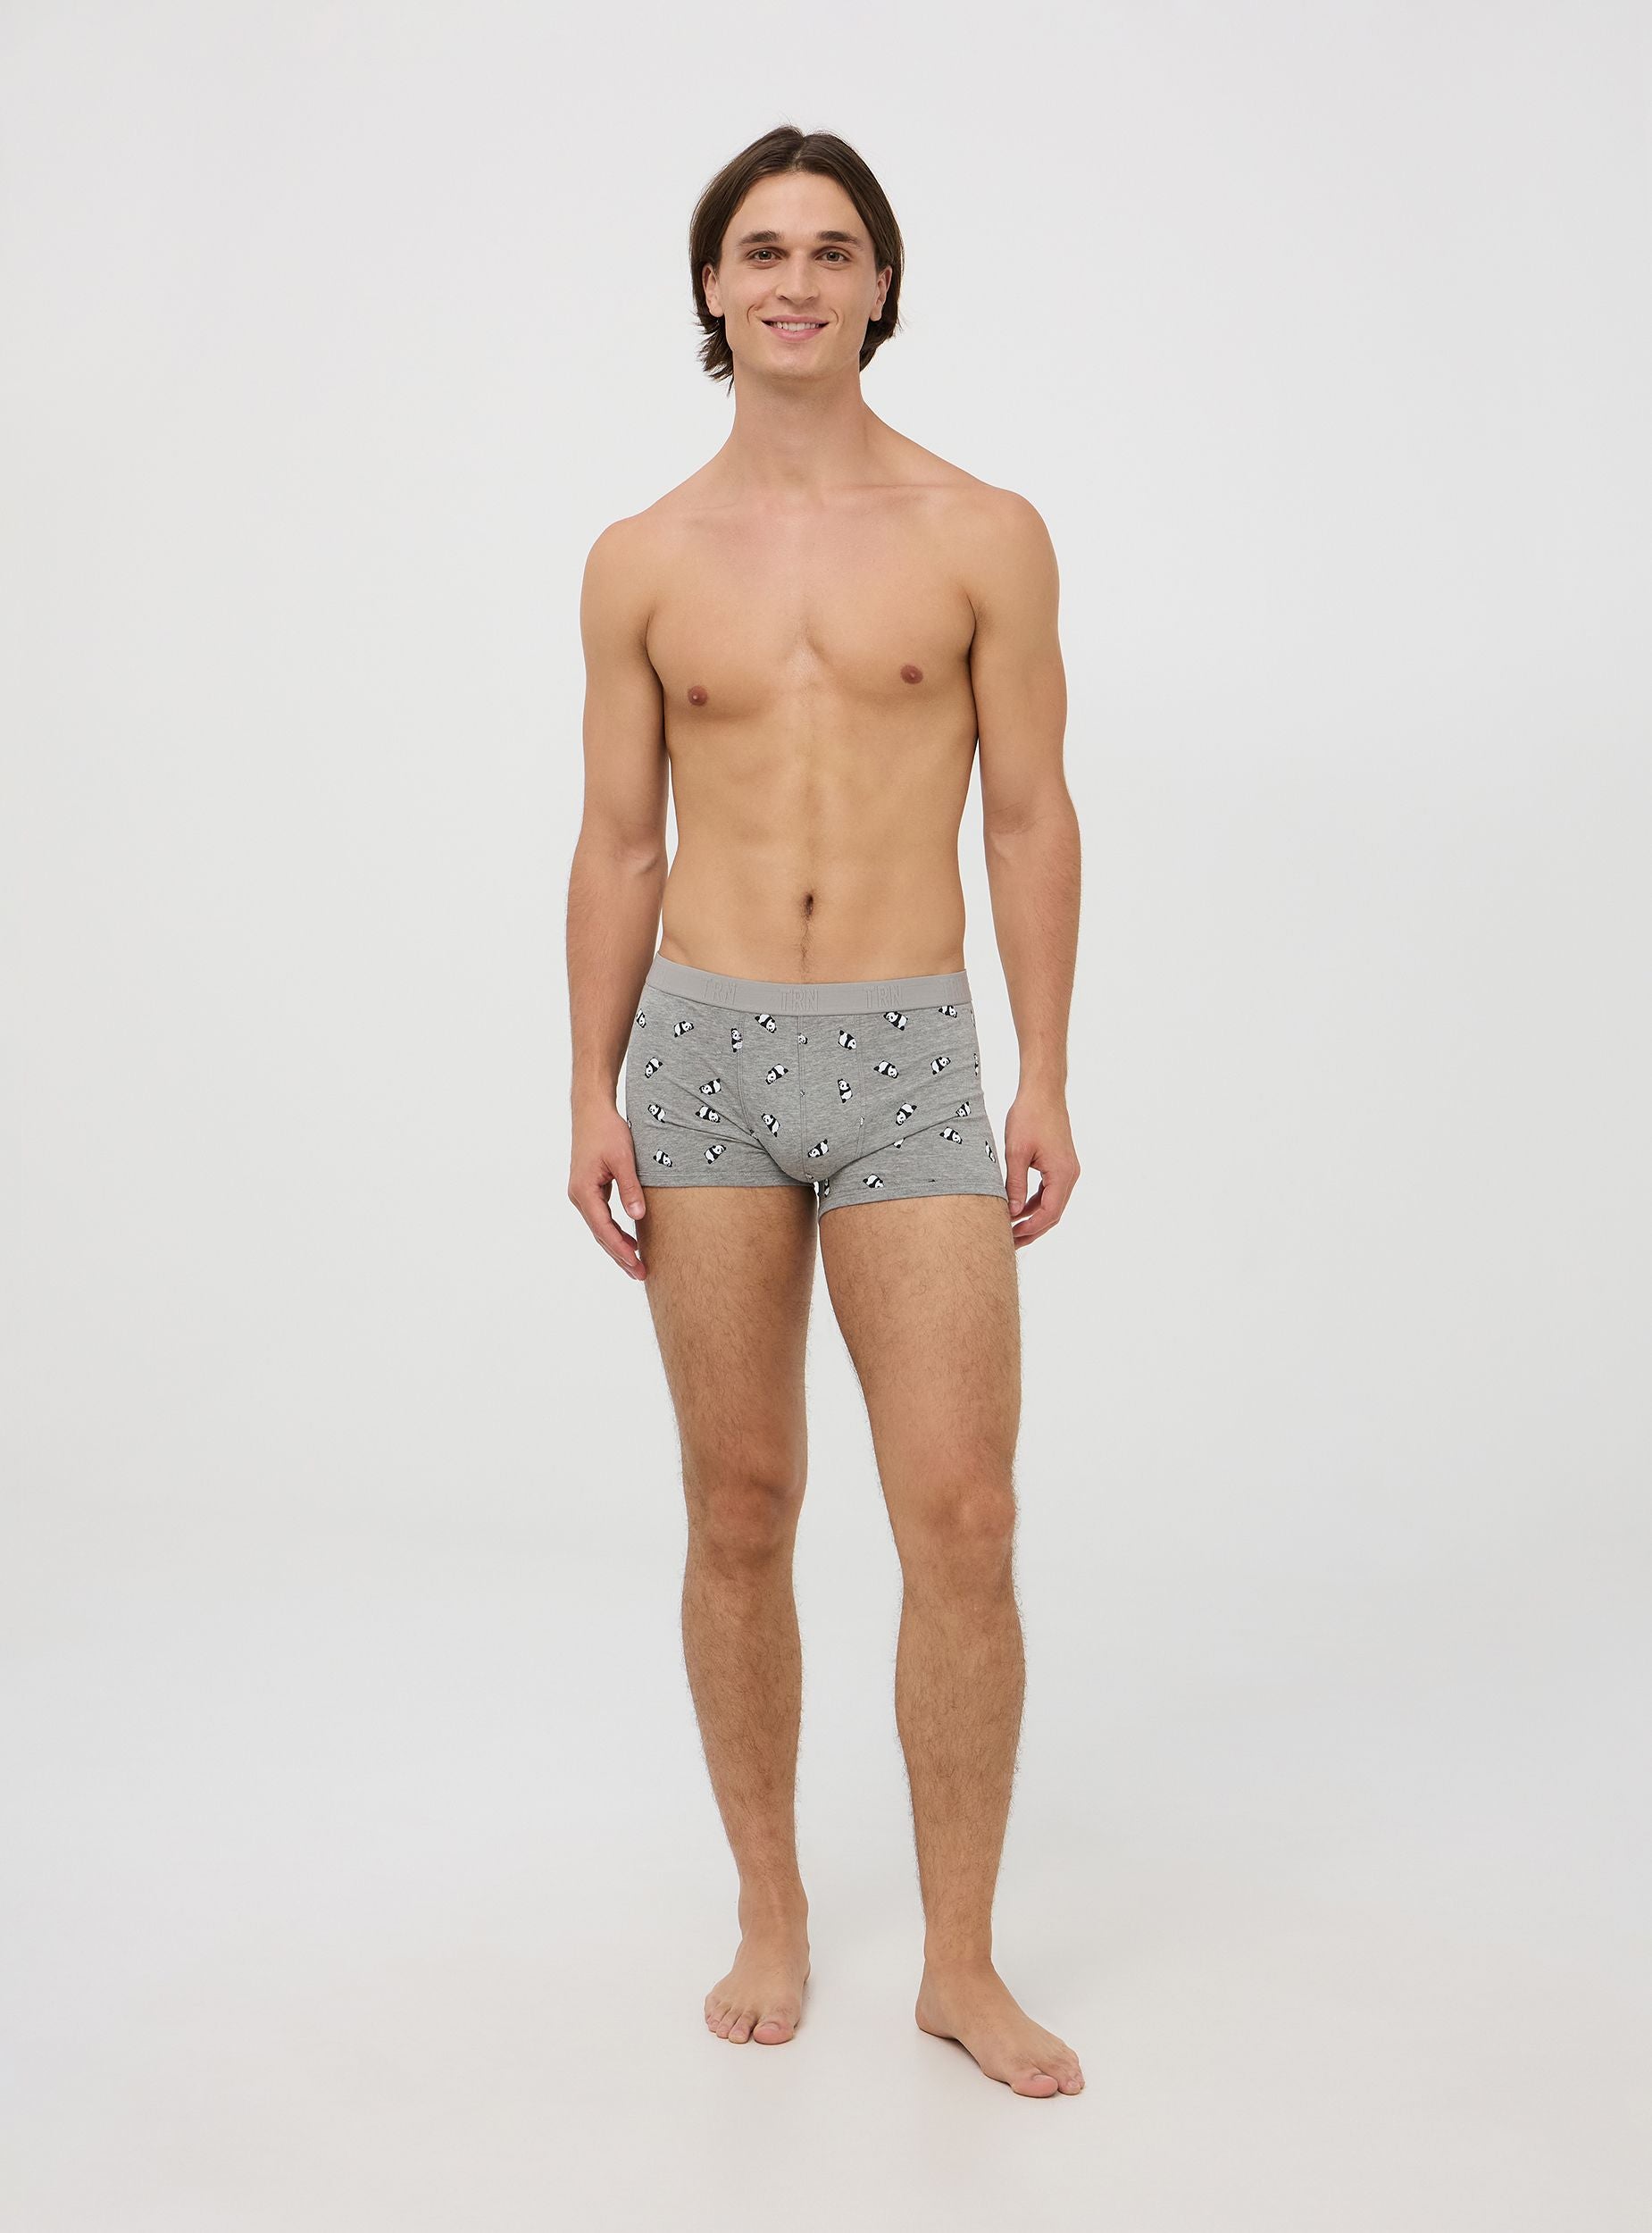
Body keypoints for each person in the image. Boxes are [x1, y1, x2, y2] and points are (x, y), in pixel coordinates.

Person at [565, 123, 1083, 2099]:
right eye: (763, 249)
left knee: (963, 1511)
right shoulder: (637, 559)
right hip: (700, 1057)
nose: (796, 279)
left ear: (880, 286)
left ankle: (958, 1961)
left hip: (904, 1058)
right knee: (740, 1503)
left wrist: (1044, 1067)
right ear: (713, 287)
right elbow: (619, 842)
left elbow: (1027, 814)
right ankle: (770, 1907)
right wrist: (588, 1083)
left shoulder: (982, 531)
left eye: (834, 249)